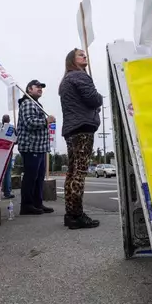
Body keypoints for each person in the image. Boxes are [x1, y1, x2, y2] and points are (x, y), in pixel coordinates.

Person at [58, 48, 103, 229]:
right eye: (81, 55)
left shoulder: (66, 80)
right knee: (80, 171)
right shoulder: (80, 76)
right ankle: (77, 214)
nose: (85, 56)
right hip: (83, 128)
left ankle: (70, 213)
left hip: (71, 129)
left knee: (72, 171)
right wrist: (99, 97)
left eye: (85, 55)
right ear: (72, 60)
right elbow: (93, 99)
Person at [17, 79, 56, 215]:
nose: (40, 88)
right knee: (30, 177)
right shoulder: (28, 103)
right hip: (31, 147)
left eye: (41, 87)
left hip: (39, 147)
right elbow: (29, 123)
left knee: (39, 177)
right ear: (29, 89)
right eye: (37, 86)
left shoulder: (36, 104)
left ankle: (37, 203)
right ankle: (27, 205)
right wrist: (46, 121)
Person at [1, 114, 15, 199]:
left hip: (0, 152)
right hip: (8, 151)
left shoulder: (0, 128)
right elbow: (15, 140)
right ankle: (7, 192)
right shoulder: (10, 128)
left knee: (2, 172)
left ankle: (3, 189)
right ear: (9, 120)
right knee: (8, 172)